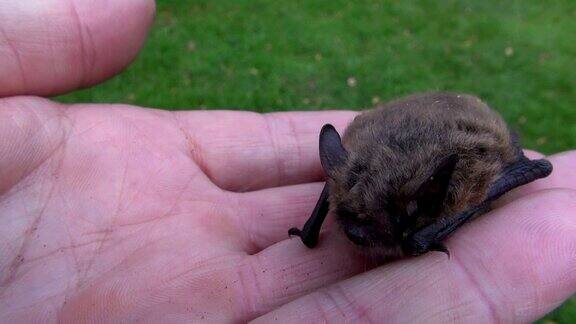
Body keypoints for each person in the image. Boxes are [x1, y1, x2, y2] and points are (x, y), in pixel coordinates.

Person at [0, 1, 574, 322]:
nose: (355, 233)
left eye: (367, 226)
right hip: (393, 157)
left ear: (420, 208)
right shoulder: (351, 177)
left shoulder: (449, 179)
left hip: (466, 147)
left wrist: (420, 227)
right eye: (346, 214)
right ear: (335, 183)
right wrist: (337, 207)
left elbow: (423, 193)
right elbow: (350, 184)